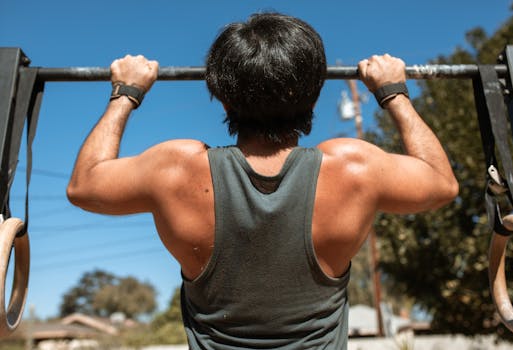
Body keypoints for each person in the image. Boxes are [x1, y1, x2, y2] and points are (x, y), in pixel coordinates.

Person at [67, 12, 458, 350]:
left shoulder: (176, 168)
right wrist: (393, 92)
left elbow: (84, 186)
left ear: (222, 98)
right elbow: (442, 184)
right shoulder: (353, 167)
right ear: (313, 96)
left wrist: (126, 92)